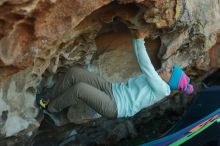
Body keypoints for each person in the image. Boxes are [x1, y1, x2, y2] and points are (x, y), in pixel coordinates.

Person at [36, 28, 193, 122]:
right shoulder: (160, 81)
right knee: (74, 73)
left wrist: (139, 40)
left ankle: (51, 108)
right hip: (112, 89)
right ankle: (50, 98)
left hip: (116, 107)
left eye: (171, 72)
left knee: (80, 89)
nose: (167, 69)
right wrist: (135, 36)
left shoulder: (162, 89)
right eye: (171, 68)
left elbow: (146, 66)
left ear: (171, 81)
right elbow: (145, 64)